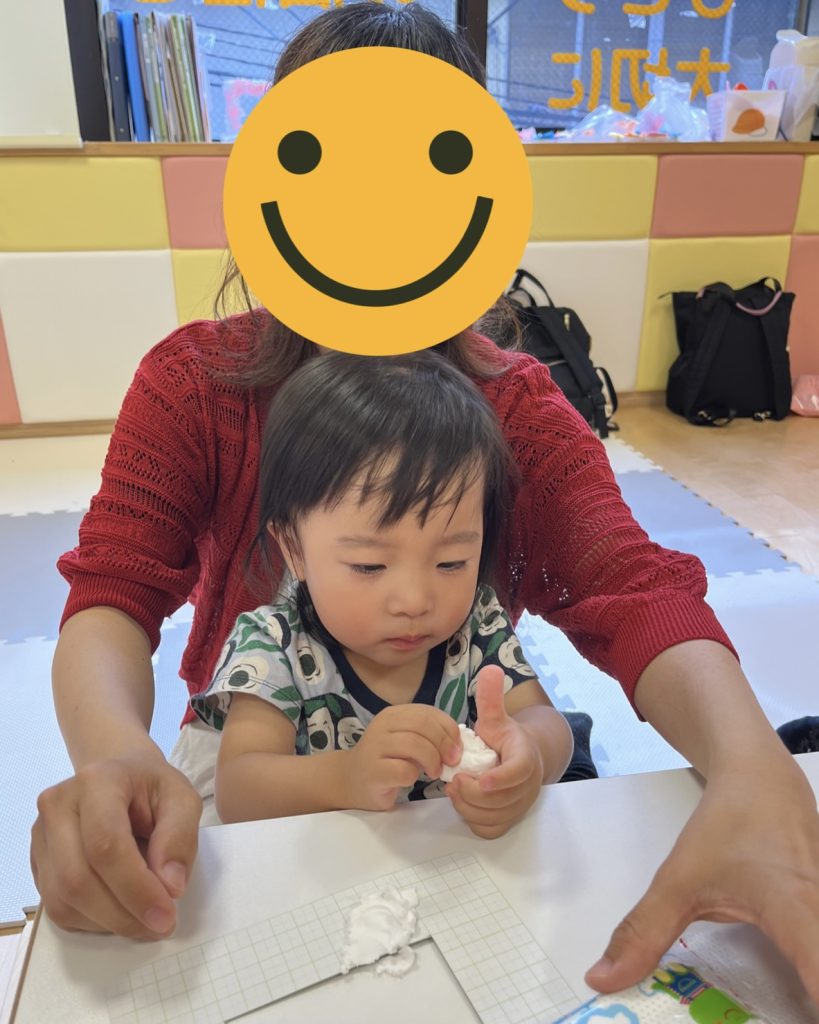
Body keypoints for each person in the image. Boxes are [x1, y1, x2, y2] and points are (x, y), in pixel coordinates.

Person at [31, 1, 819, 1005]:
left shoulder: (518, 408)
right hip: (260, 755)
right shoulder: (196, 384)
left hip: (452, 764)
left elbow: (632, 588)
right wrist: (114, 757)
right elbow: (112, 590)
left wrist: (751, 764)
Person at [190, 350, 575, 827]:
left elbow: (549, 725)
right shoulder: (272, 646)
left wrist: (529, 755)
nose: (414, 601)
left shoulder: (478, 627)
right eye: (370, 566)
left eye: (451, 562)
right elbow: (239, 791)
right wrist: (346, 776)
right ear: (293, 548)